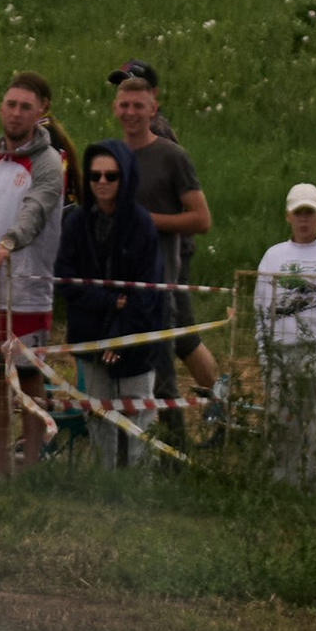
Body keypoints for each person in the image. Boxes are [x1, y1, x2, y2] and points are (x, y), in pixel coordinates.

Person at [0, 73, 69, 476]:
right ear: (1, 108)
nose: (16, 113)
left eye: (26, 106)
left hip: (26, 291)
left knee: (27, 381)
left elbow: (36, 210)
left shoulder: (49, 163)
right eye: (11, 104)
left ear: (42, 111)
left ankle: (33, 466)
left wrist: (7, 244)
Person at [109, 64, 217, 413]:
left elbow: (201, 218)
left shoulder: (168, 149)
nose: (130, 112)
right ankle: (127, 463)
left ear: (153, 105)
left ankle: (175, 459)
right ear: (115, 106)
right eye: (123, 102)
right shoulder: (111, 155)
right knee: (119, 382)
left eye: (138, 104)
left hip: (161, 281)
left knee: (164, 378)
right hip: (116, 285)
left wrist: (146, 221)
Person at [54, 141, 169, 469]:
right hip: (89, 335)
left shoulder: (141, 224)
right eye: (94, 176)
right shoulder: (75, 222)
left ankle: (139, 490)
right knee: (98, 416)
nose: (102, 182)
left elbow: (147, 291)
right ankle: (106, 486)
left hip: (135, 336)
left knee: (137, 419)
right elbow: (64, 279)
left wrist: (121, 335)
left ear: (126, 177)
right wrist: (108, 301)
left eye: (111, 176)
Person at [252, 182, 316, 483]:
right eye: (298, 213)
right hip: (279, 350)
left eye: (310, 213)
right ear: (288, 216)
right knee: (282, 418)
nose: (304, 219)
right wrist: (264, 351)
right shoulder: (272, 256)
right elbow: (261, 308)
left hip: (315, 350)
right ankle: (283, 480)